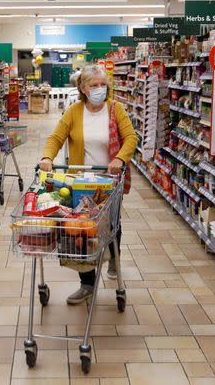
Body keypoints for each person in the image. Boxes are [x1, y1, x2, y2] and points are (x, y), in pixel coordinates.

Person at [40, 64, 137, 304]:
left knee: (112, 225)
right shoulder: (74, 112)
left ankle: (114, 256)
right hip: (81, 182)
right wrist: (47, 157)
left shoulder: (117, 110)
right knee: (81, 230)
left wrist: (118, 158)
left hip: (109, 182)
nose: (100, 89)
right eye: (94, 85)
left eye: (103, 84)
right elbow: (56, 137)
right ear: (83, 88)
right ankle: (87, 283)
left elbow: (131, 138)